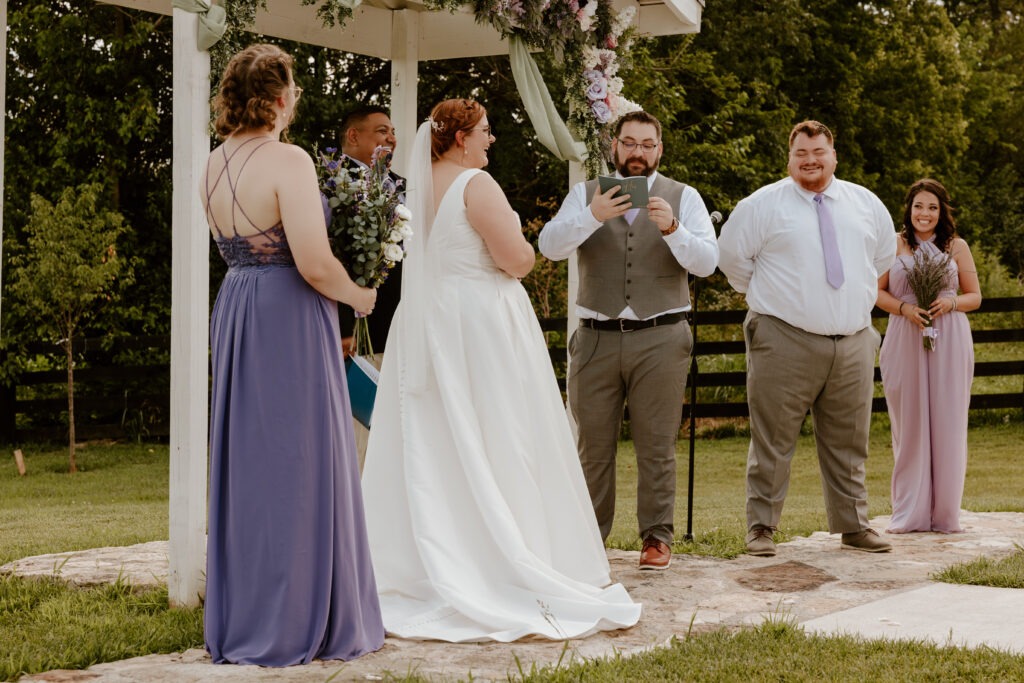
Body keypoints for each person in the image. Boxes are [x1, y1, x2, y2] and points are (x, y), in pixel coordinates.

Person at [361, 98, 641, 642]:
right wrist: (523, 251)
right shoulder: (475, 186)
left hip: (424, 320)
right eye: (486, 131)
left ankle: (424, 560)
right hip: (478, 323)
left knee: (436, 437)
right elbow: (517, 259)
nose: (492, 139)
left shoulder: (413, 187)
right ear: (461, 137)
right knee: (498, 432)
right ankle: (503, 557)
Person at [200, 44, 384, 665]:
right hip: (288, 312)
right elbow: (313, 261)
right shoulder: (289, 159)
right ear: (280, 98)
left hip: (238, 306)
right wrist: (360, 295)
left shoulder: (212, 163)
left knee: (253, 464)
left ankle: (248, 613)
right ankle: (302, 618)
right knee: (301, 462)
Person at [538, 110, 719, 571]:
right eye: (630, 142)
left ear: (660, 149)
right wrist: (592, 217)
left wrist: (673, 230)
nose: (638, 151)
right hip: (596, 336)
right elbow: (550, 246)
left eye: (647, 144)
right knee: (592, 446)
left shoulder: (685, 197)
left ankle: (656, 538)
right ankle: (588, 539)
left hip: (661, 335)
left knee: (657, 445)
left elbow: (707, 263)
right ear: (614, 146)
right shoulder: (585, 194)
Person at [718, 120, 897, 557]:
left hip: (853, 339)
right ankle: (761, 527)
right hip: (783, 338)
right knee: (773, 440)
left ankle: (854, 525)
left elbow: (881, 258)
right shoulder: (762, 205)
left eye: (819, 152)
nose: (811, 160)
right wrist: (775, 298)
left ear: (834, 156)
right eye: (802, 153)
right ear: (790, 157)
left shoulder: (865, 203)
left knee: (850, 440)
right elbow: (731, 260)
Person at [877, 178, 980, 533]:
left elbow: (974, 297)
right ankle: (911, 511)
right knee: (910, 423)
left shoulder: (957, 246)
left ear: (942, 211)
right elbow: (876, 293)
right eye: (919, 206)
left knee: (949, 421)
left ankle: (945, 514)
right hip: (905, 335)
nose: (925, 213)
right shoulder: (892, 244)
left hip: (949, 336)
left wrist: (950, 303)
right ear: (909, 208)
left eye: (932, 207)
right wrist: (905, 309)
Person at [335, 105, 404, 468]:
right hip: (357, 335)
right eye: (381, 131)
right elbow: (332, 259)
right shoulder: (333, 186)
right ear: (353, 136)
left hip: (400, 328)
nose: (391, 138)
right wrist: (345, 327)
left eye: (392, 131)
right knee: (359, 435)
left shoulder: (402, 186)